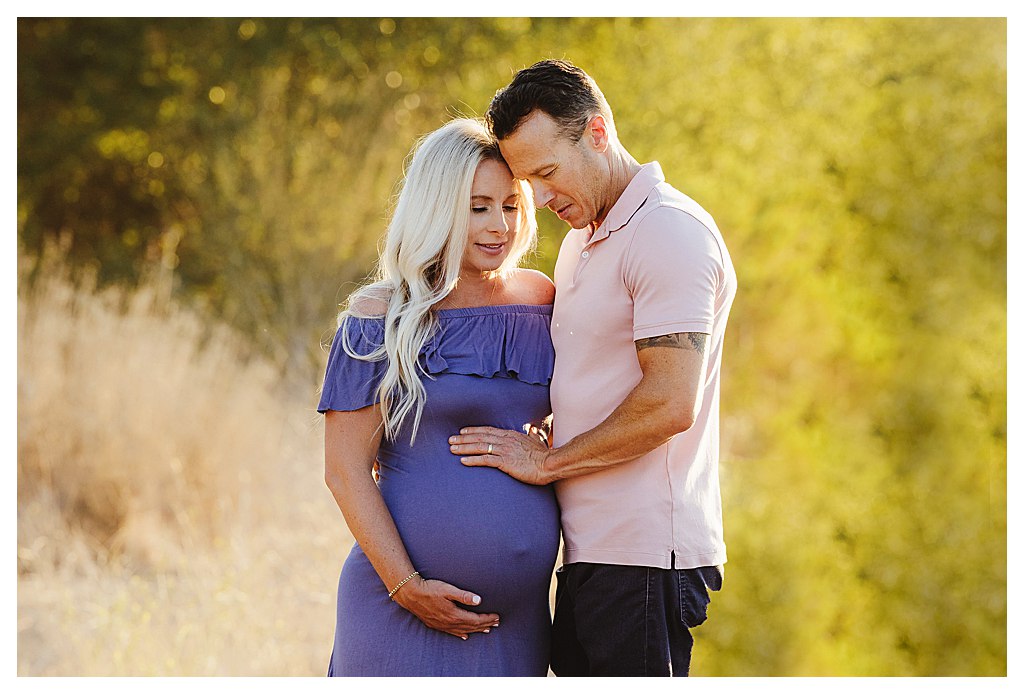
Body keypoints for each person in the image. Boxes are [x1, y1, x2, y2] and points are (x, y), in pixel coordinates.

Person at [448, 59, 737, 676]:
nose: (542, 198)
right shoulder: (585, 238)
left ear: (598, 135)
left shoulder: (668, 233)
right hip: (588, 550)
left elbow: (669, 402)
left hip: (644, 557)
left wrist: (547, 462)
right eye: (529, 182)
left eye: (548, 173)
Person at [317, 117, 560, 676]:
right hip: (396, 610)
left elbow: (571, 406)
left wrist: (548, 448)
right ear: (437, 206)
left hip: (514, 623)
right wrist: (407, 587)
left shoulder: (540, 300)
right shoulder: (382, 315)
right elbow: (344, 470)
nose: (498, 225)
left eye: (511, 205)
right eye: (477, 207)